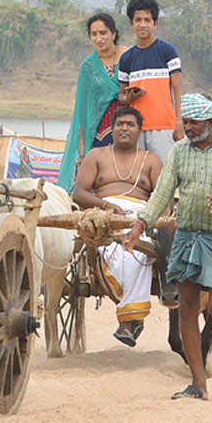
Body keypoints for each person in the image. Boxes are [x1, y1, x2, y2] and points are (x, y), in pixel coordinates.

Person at [121, 94, 212, 400]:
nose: (187, 127)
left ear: (210, 121)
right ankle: (198, 383)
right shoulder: (179, 152)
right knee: (186, 308)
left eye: (194, 122)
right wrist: (139, 226)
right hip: (186, 235)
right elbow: (162, 193)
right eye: (185, 121)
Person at [72, 106, 164, 346]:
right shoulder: (96, 156)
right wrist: (105, 206)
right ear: (111, 129)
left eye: (130, 124)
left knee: (140, 251)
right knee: (115, 252)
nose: (124, 128)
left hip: (141, 216)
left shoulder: (151, 160)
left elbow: (162, 198)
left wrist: (154, 219)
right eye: (120, 123)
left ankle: (127, 322)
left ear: (139, 131)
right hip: (104, 217)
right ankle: (132, 318)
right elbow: (79, 194)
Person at [58, 12, 127, 191]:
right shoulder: (88, 66)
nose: (99, 38)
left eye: (103, 33)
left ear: (113, 33)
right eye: (94, 34)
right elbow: (83, 104)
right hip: (100, 128)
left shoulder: (129, 56)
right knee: (100, 174)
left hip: (128, 122)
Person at [115, 0, 183, 163]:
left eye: (147, 19)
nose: (142, 24)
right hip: (135, 128)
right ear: (131, 23)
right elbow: (121, 96)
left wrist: (179, 122)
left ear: (155, 23)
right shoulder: (127, 58)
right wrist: (131, 97)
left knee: (163, 176)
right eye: (138, 20)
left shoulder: (167, 51)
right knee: (138, 177)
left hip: (164, 125)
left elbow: (177, 89)